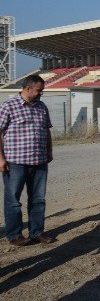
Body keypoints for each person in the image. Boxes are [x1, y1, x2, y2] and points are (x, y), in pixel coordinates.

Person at [0, 74, 55, 246]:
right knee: (13, 201)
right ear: (28, 88)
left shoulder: (41, 107)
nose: (41, 94)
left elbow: (46, 131)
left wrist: (49, 151)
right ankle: (15, 235)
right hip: (15, 162)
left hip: (39, 162)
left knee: (38, 199)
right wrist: (1, 159)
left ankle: (36, 233)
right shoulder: (8, 107)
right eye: (39, 90)